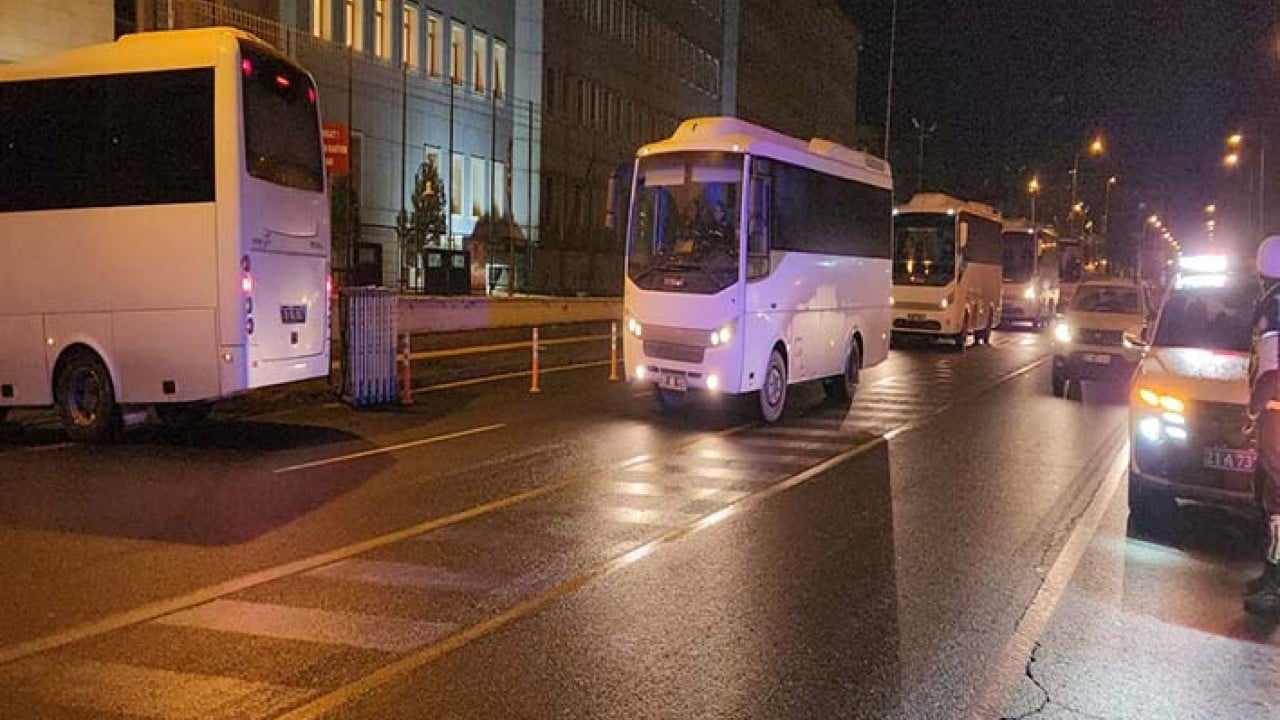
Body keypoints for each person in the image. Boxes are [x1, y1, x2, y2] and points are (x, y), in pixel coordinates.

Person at [1244, 235, 1280, 616]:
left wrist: (1254, 411)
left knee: (1277, 504)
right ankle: (1271, 574)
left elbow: (1270, 371)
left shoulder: (1273, 306)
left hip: (1277, 417)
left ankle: (1276, 585)